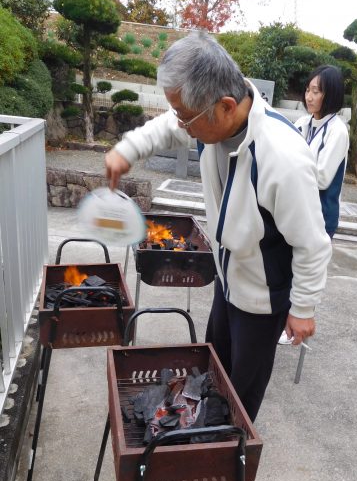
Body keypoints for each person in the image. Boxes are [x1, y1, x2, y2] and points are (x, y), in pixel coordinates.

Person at [105, 31, 331, 422]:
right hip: (228, 279)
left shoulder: (283, 158)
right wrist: (127, 151)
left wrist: (303, 307)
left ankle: (231, 451)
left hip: (263, 296)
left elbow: (312, 243)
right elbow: (167, 127)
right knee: (213, 371)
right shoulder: (209, 117)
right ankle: (200, 429)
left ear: (226, 107)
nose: (181, 125)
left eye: (185, 117)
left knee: (242, 389)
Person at [279, 65, 349, 345]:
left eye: (316, 91)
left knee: (305, 272)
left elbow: (321, 177)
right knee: (285, 266)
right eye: (308, 90)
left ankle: (294, 328)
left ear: (330, 94)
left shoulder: (337, 131)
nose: (309, 96)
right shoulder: (303, 123)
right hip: (296, 210)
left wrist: (292, 164)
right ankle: (283, 322)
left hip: (320, 215)